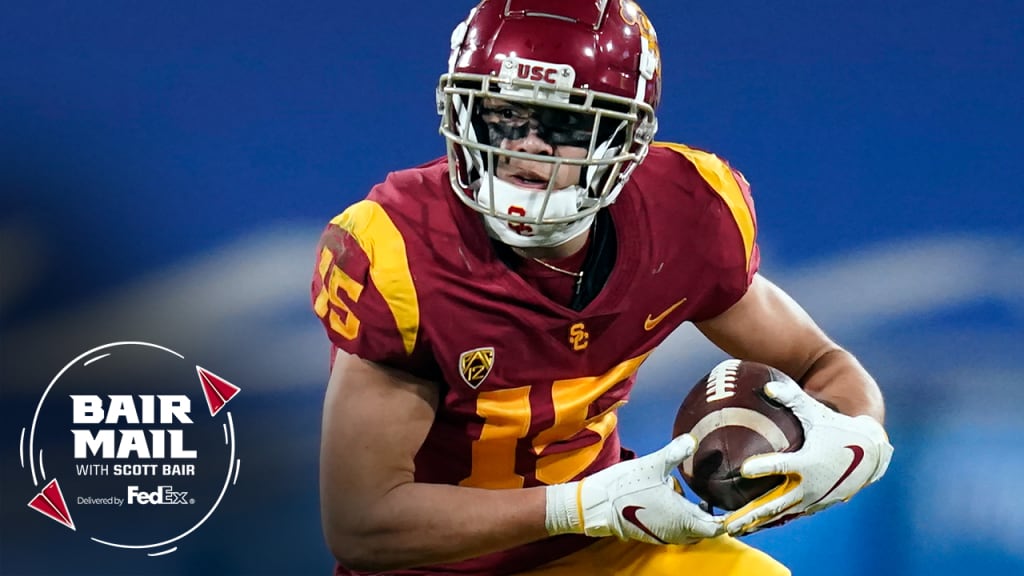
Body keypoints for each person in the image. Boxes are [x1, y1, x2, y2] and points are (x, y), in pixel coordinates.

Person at [311, 1, 893, 574]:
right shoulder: (397, 248)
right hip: (437, 566)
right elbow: (362, 524)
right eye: (504, 114)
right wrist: (582, 505)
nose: (527, 146)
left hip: (599, 545)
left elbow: (819, 361)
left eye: (564, 121)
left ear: (624, 138)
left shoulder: (686, 214)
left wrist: (854, 436)